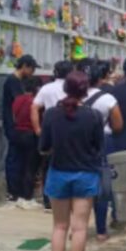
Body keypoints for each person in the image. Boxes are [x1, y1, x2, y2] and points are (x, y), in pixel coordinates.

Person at [39, 71, 104, 251]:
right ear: (85, 91)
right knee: (79, 228)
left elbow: (44, 145)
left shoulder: (50, 116)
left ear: (65, 88)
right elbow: (98, 147)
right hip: (85, 174)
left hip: (58, 172)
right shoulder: (94, 116)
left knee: (59, 226)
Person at [86, 63, 124, 241]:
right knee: (103, 187)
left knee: (81, 185)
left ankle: (77, 227)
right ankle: (101, 230)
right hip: (103, 142)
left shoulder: (73, 97)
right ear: (101, 78)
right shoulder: (108, 99)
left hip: (79, 143)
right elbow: (118, 125)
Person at [32, 60, 75, 211]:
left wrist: (38, 129)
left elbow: (35, 107)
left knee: (49, 165)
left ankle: (48, 200)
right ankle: (68, 198)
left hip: (51, 129)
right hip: (72, 129)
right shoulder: (73, 87)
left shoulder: (47, 88)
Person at [3, 55, 38, 202]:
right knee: (15, 159)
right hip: (15, 126)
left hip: (18, 127)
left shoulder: (19, 81)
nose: (32, 72)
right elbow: (19, 105)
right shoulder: (13, 82)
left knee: (21, 159)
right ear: (24, 66)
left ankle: (19, 191)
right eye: (31, 69)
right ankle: (13, 191)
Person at [10, 75, 42, 210]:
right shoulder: (33, 102)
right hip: (29, 134)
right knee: (30, 167)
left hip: (17, 133)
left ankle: (17, 195)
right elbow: (35, 118)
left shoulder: (17, 100)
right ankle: (27, 196)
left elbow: (14, 116)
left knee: (20, 164)